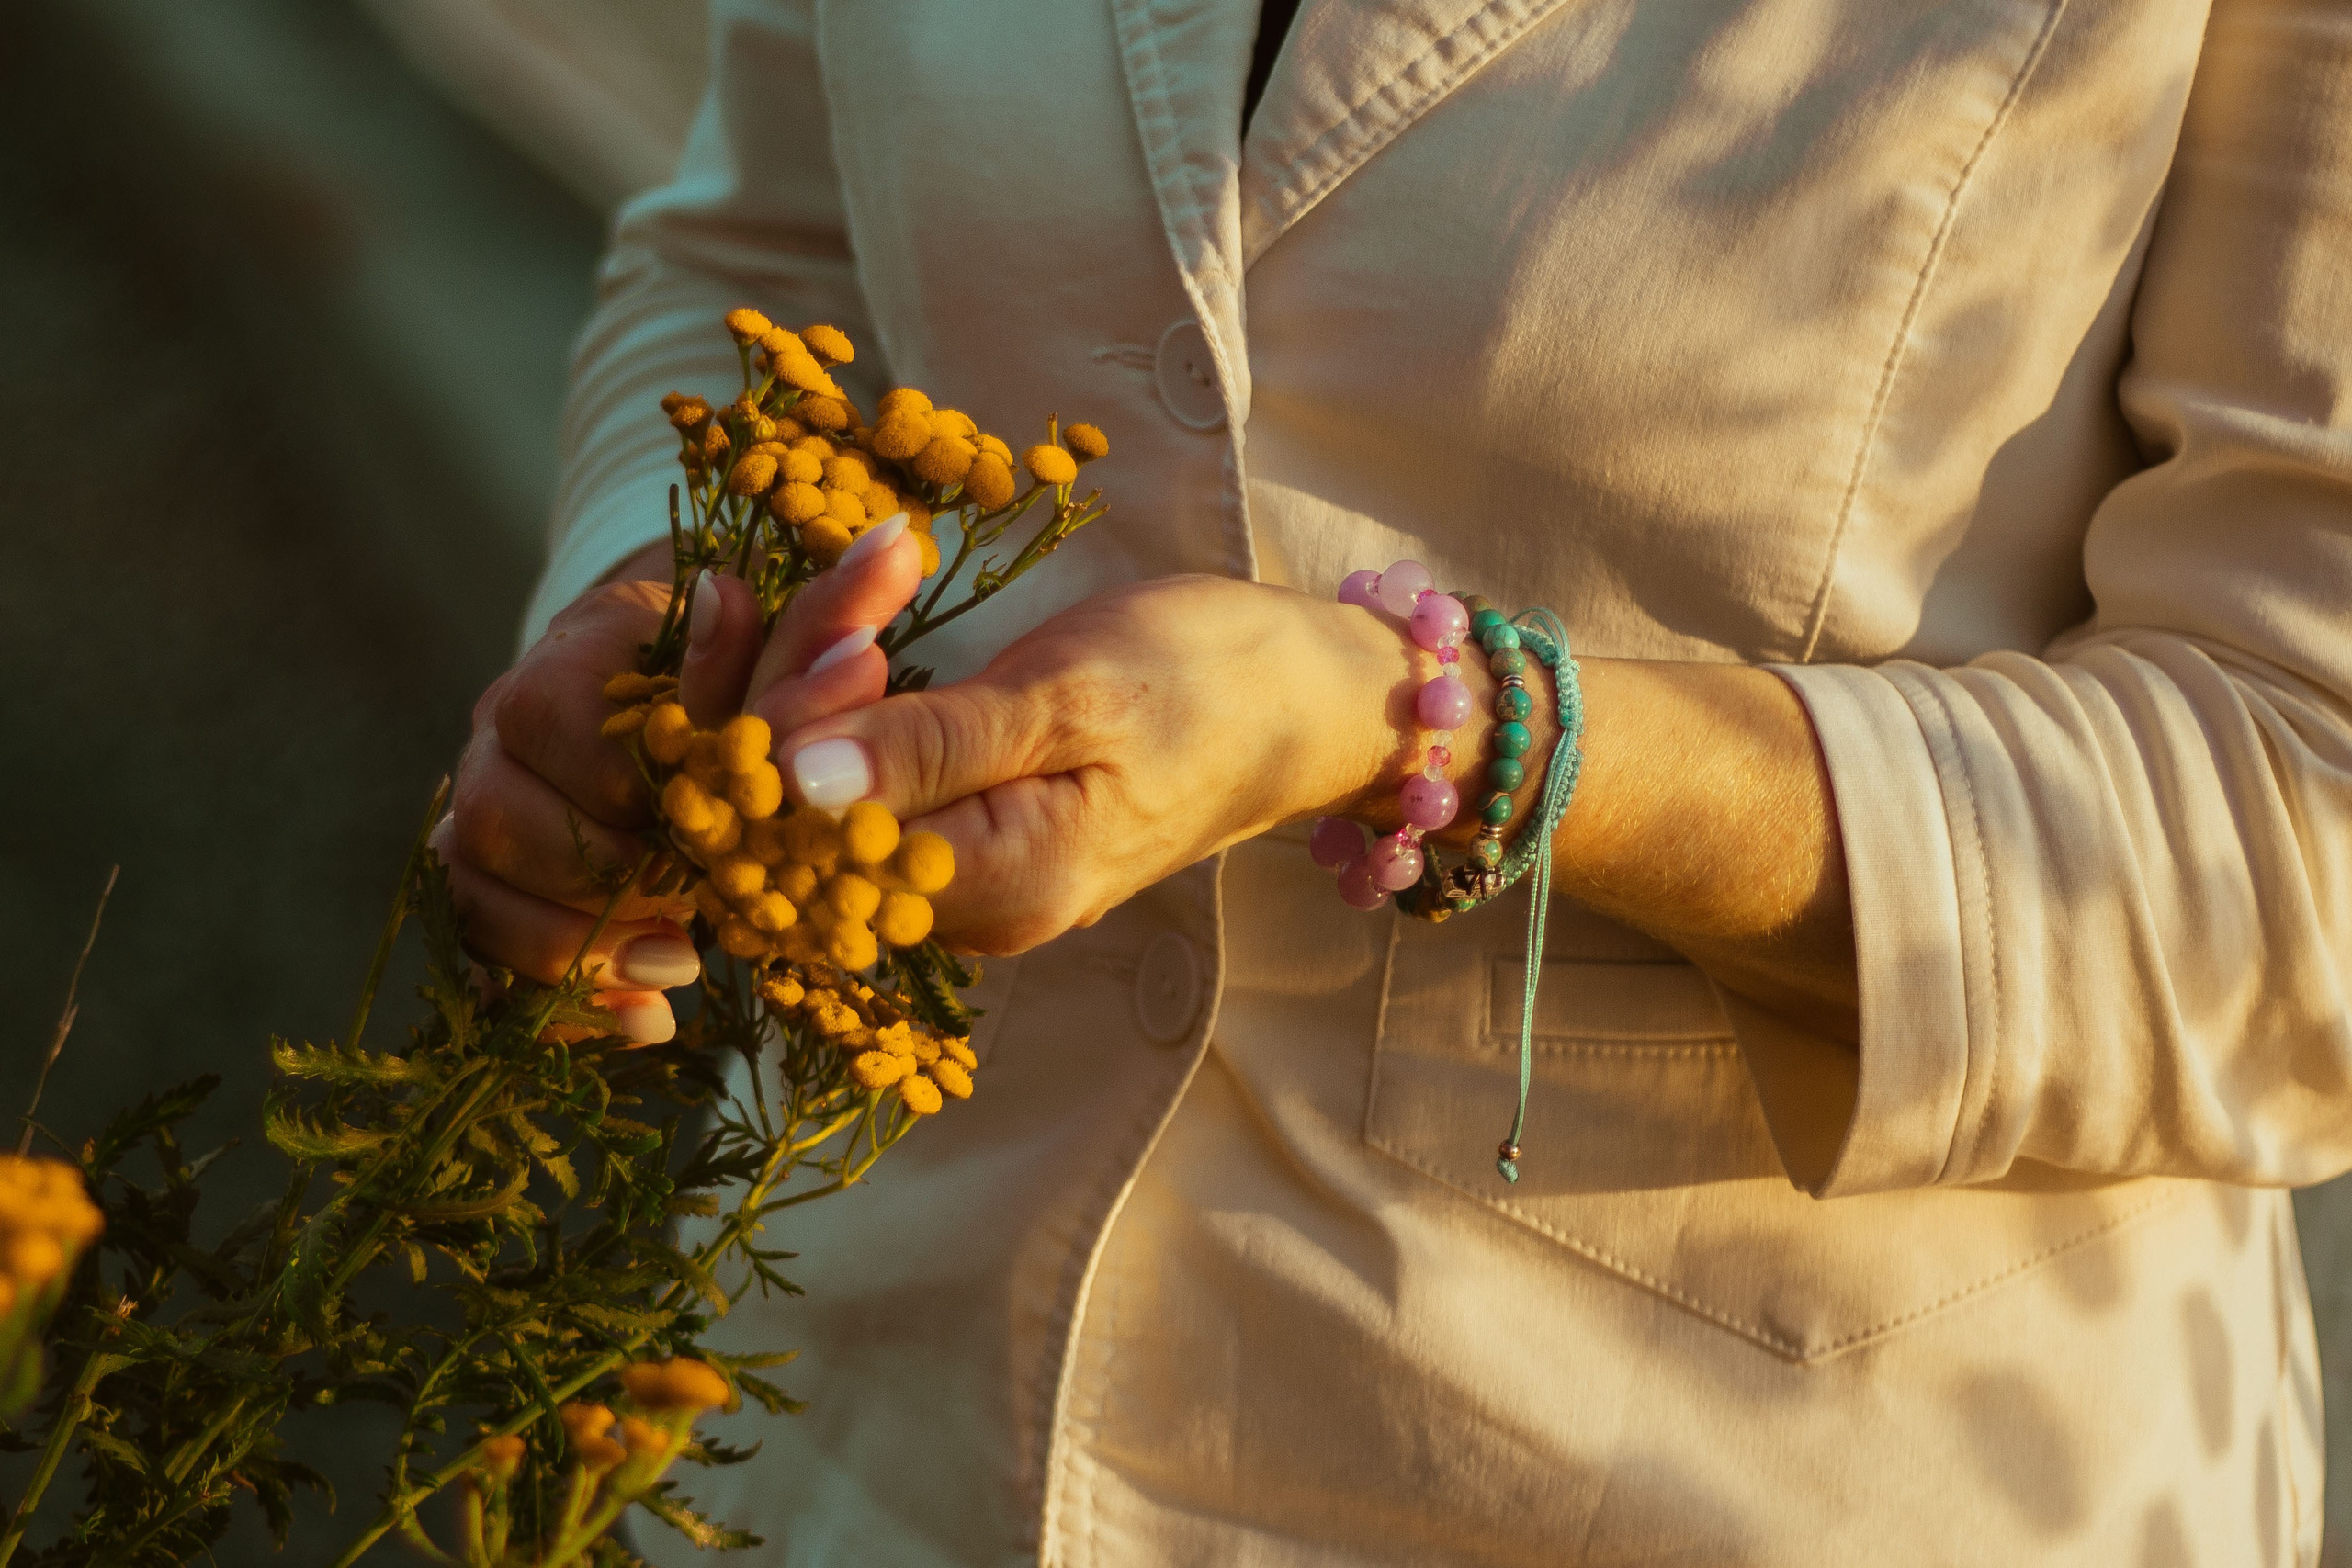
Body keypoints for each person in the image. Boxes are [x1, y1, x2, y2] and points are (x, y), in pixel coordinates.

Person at [442, 0, 2352, 1560]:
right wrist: (654, 614)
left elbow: (2308, 825)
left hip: (1709, 1477)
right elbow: (765, 242)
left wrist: (1416, 726)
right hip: (855, 1420)